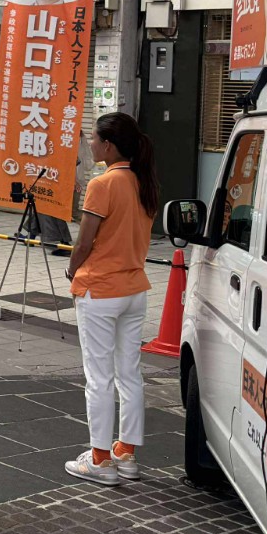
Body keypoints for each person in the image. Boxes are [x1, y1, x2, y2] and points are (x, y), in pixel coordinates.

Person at [63, 112, 159, 486]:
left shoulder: (103, 183)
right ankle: (125, 453)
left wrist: (72, 269)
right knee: (129, 375)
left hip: (100, 289)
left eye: (93, 138)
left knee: (99, 378)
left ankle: (100, 459)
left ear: (108, 145)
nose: (89, 143)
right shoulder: (144, 181)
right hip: (134, 289)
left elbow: (84, 242)